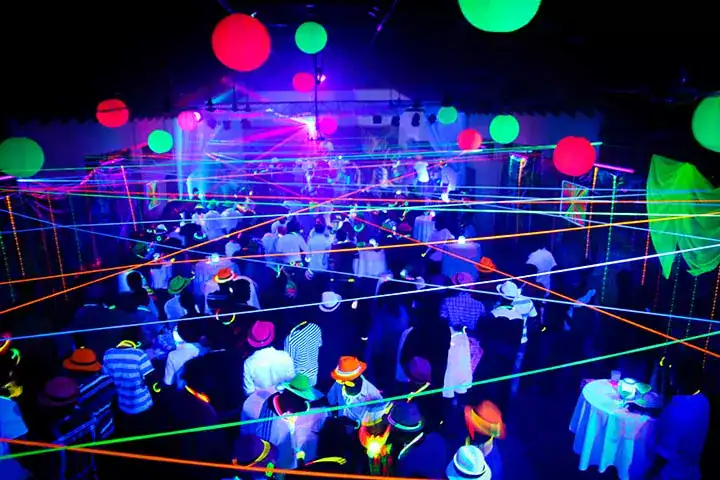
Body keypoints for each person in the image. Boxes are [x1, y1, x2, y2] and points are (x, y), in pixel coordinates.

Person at [644, 360, 709, 480]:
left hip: (670, 474)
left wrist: (647, 475)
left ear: (677, 377)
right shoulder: (703, 401)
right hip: (691, 473)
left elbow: (663, 455)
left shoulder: (676, 412)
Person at [327, 356, 384, 425]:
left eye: (345, 381)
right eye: (341, 380)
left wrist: (354, 424)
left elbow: (376, 422)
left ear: (355, 378)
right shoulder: (339, 383)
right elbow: (330, 402)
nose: (342, 383)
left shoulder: (372, 394)